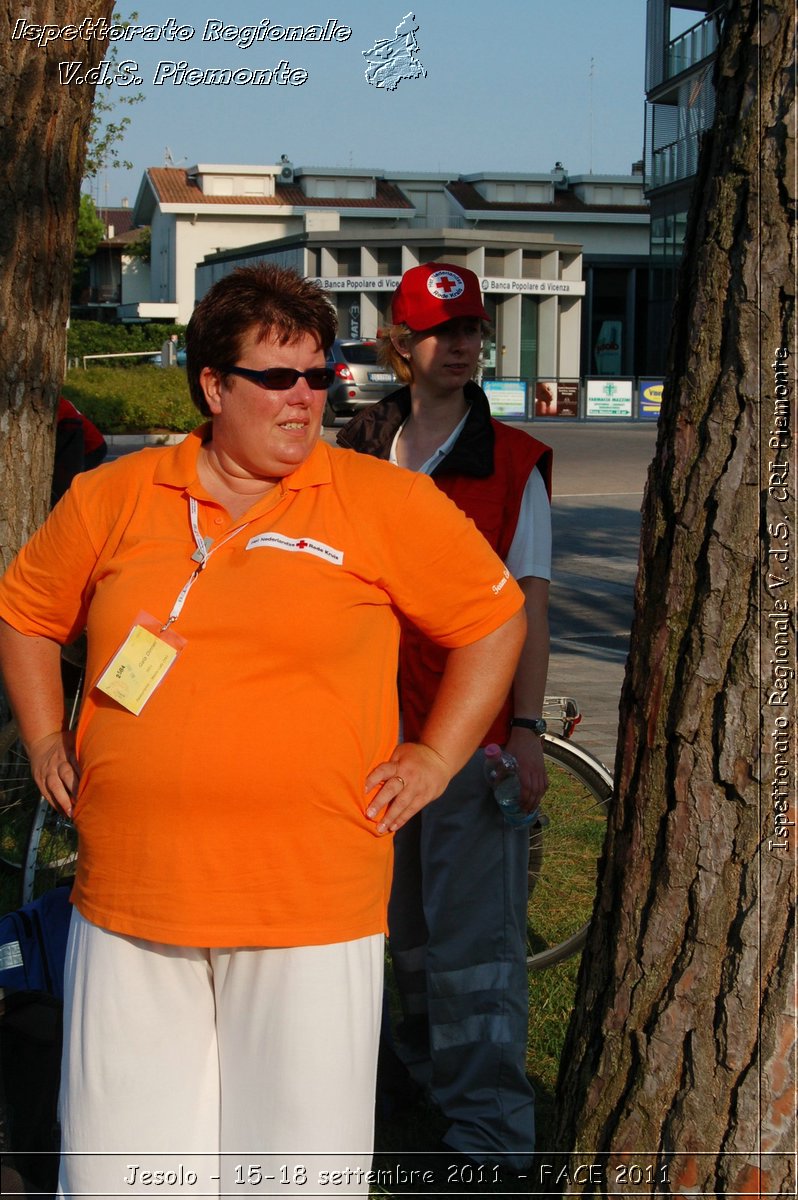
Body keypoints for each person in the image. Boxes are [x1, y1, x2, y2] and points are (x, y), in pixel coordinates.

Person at [0, 265, 526, 1199]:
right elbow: (27, 612)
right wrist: (45, 739)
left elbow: (494, 619)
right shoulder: (117, 496)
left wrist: (437, 755)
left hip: (311, 909)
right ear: (212, 385)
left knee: (292, 1177)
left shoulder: (379, 500)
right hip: (132, 900)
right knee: (125, 1178)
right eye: (279, 379)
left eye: (320, 378)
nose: (305, 400)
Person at [338, 262, 553, 1178]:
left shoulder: (512, 465)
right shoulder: (350, 450)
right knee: (399, 937)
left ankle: (492, 1133)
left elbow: (530, 607)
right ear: (401, 344)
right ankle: (422, 1084)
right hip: (360, 743)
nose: (463, 345)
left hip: (469, 743)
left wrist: (528, 730)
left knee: (476, 949)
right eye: (442, 332)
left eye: (472, 330)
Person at [51, 397, 107, 505]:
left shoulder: (58, 405)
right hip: (91, 445)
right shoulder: (61, 402)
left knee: (72, 481)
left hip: (93, 448)